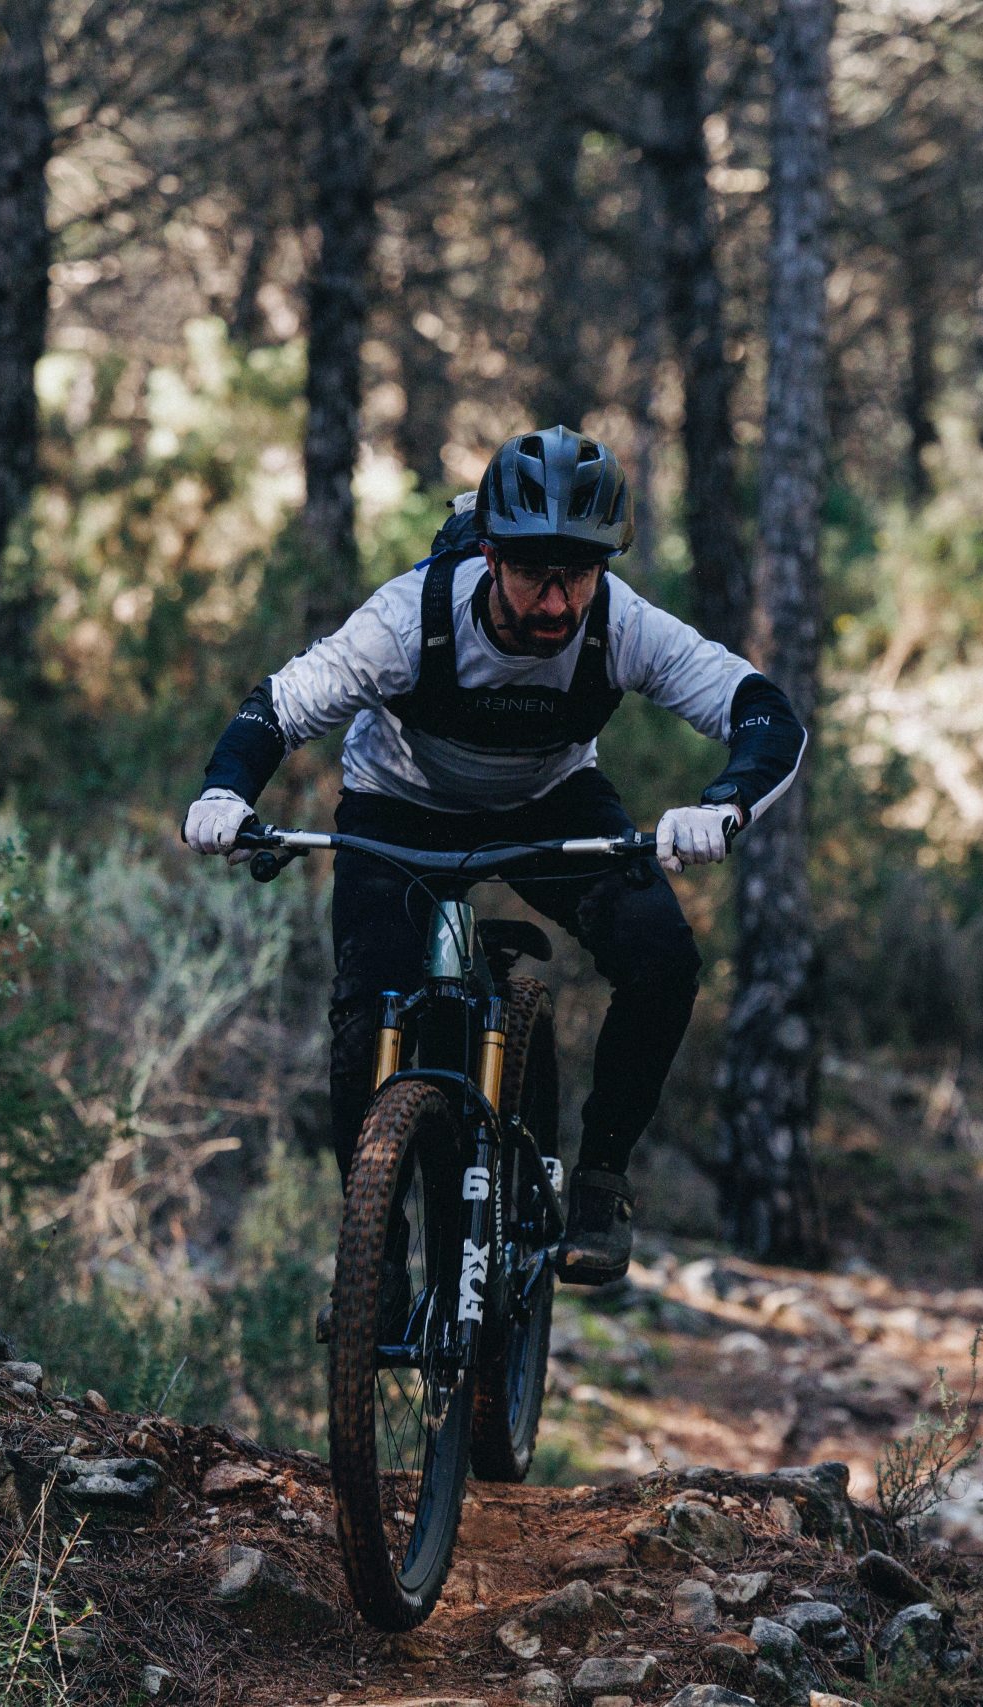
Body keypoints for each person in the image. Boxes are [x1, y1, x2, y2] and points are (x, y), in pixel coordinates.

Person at [181, 425, 804, 1299]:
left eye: (579, 572)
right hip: (400, 806)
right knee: (366, 1009)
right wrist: (223, 792)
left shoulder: (620, 623)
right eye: (533, 572)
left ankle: (600, 1184)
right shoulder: (408, 619)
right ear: (489, 552)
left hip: (551, 805)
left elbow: (765, 713)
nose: (557, 601)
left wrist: (723, 805)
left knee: (662, 954)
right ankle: (375, 1250)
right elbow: (276, 709)